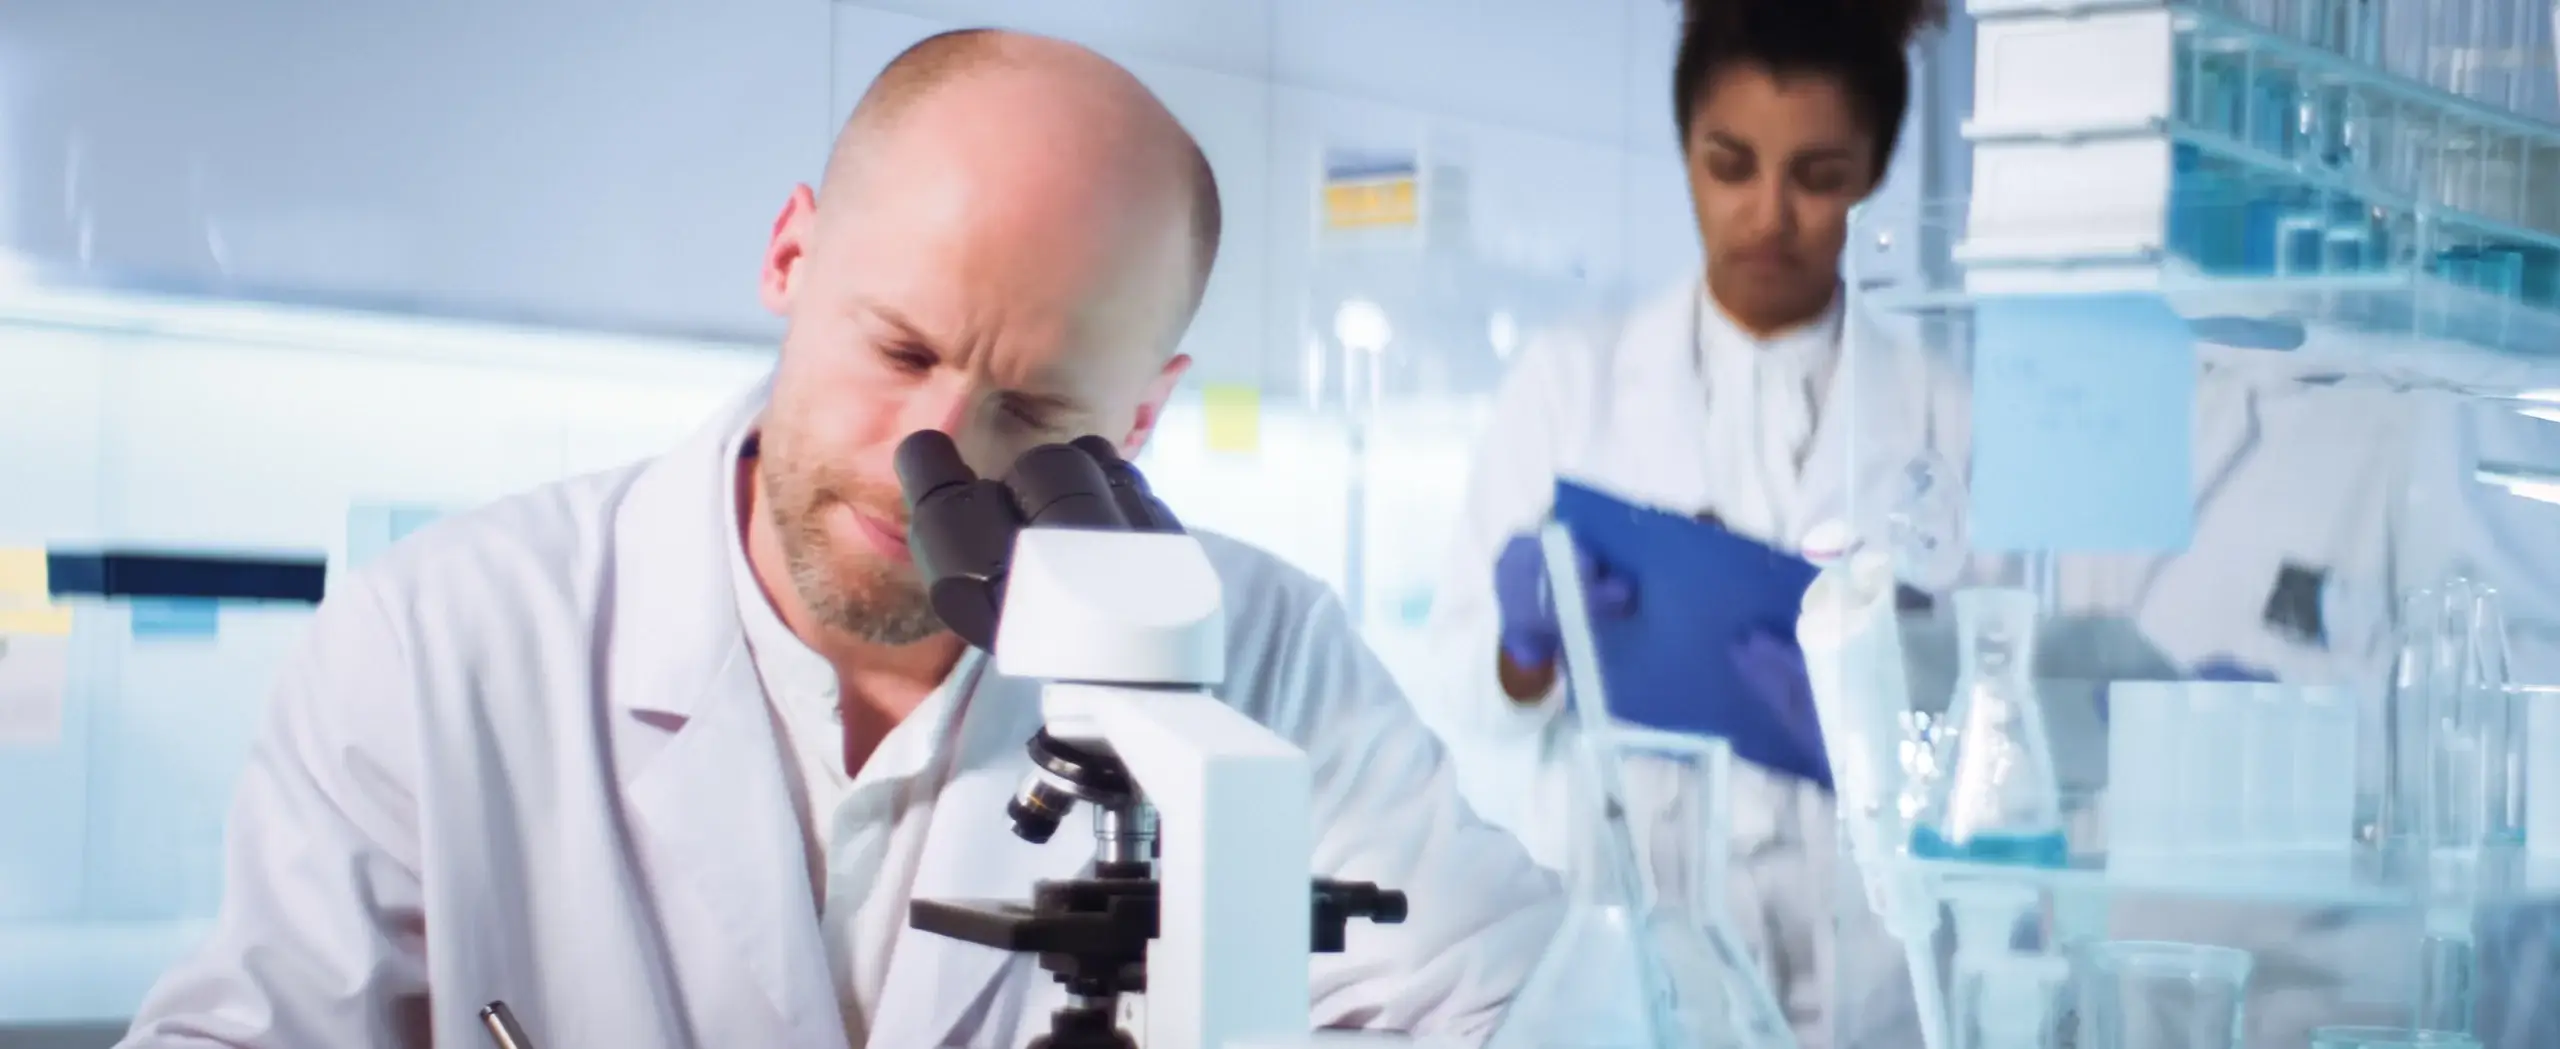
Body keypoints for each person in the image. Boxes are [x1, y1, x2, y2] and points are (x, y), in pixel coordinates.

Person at [117, 29, 1562, 1049]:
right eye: (899, 345)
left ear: (1138, 417)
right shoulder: (440, 642)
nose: (925, 450)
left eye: (1035, 404)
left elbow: (1523, 1005)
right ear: (791, 255)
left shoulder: (1263, 654)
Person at [1414, 1, 1957, 1046]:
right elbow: (1454, 692)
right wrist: (1526, 648)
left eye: (1817, 175)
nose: (1769, 214)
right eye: (1730, 163)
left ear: (1874, 172)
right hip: (1631, 974)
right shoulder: (1572, 383)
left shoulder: (1942, 413)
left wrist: (1871, 729)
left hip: (1870, 988)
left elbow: (1994, 726)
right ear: (1683, 152)